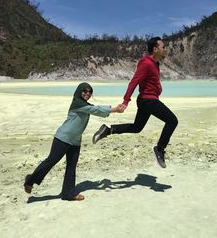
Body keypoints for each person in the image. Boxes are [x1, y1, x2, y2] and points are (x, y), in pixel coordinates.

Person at [23, 82, 124, 201]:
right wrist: (115, 109)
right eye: (85, 91)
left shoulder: (85, 105)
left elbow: (94, 109)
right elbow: (95, 109)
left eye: (90, 92)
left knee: (71, 166)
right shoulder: (77, 103)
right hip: (63, 138)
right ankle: (30, 181)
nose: (87, 93)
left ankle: (68, 193)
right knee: (51, 160)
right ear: (79, 92)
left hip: (75, 140)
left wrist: (115, 109)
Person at [92, 37, 178, 168]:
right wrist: (126, 101)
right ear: (155, 49)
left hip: (147, 100)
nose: (164, 49)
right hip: (148, 100)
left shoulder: (155, 64)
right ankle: (159, 149)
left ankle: (108, 130)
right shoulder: (146, 62)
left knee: (137, 128)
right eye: (163, 46)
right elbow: (134, 81)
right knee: (172, 121)